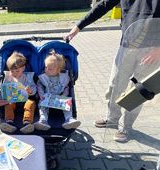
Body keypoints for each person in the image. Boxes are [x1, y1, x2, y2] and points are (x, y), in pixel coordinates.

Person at [66, 0, 160, 142]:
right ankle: (112, 118)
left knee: (139, 91)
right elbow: (104, 5)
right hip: (128, 44)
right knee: (115, 83)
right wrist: (79, 26)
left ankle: (126, 127)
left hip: (152, 49)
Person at [34, 51, 81, 131]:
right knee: (42, 105)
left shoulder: (64, 78)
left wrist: (64, 95)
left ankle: (69, 119)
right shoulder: (43, 77)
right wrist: (41, 95)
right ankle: (43, 120)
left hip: (60, 98)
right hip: (47, 98)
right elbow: (39, 86)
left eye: (50, 69)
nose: (47, 70)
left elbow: (66, 87)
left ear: (58, 70)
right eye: (46, 67)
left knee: (68, 103)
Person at [0, 51, 37, 134]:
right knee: (8, 104)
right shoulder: (8, 77)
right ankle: (9, 122)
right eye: (12, 71)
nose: (14, 74)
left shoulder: (28, 77)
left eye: (17, 71)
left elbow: (34, 89)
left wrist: (30, 90)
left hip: (26, 99)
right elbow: (4, 88)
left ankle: (27, 123)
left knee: (31, 103)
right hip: (13, 99)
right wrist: (3, 92)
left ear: (23, 68)